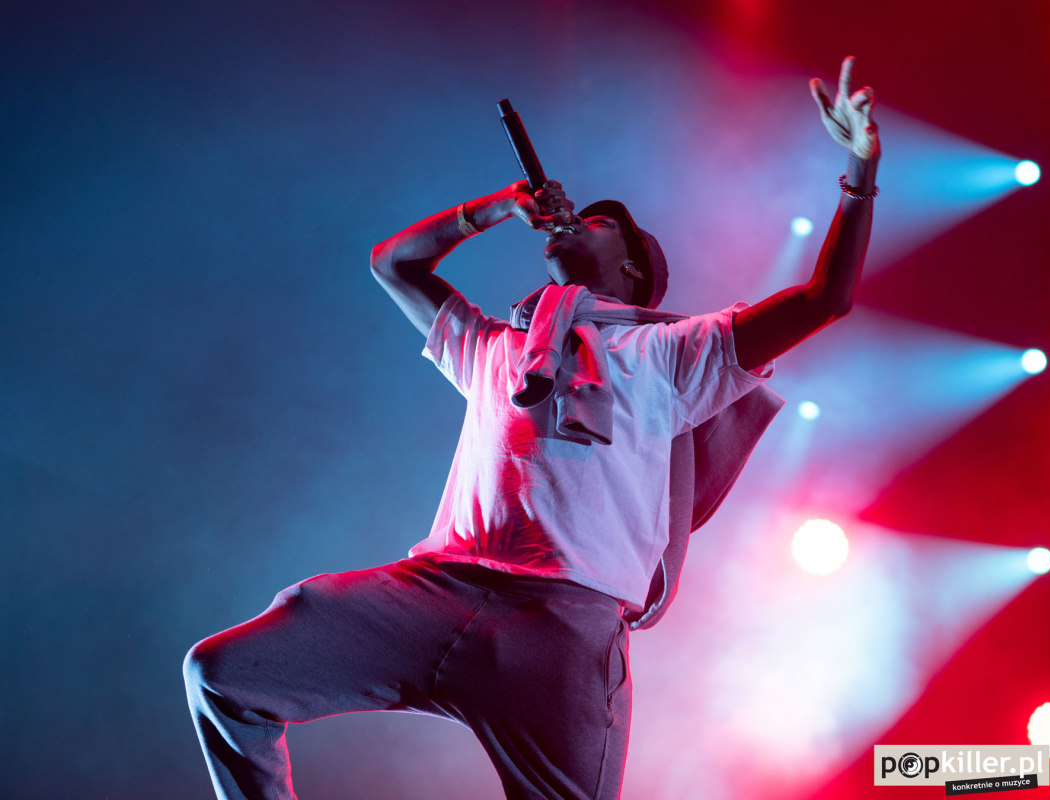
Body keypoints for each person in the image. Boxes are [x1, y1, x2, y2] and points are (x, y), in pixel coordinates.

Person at [183, 55, 880, 799]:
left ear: (634, 273)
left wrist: (859, 172)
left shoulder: (670, 352)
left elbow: (823, 299)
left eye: (603, 222)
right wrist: (494, 208)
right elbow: (393, 265)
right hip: (436, 590)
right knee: (225, 675)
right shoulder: (497, 346)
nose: (580, 217)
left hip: (560, 626)